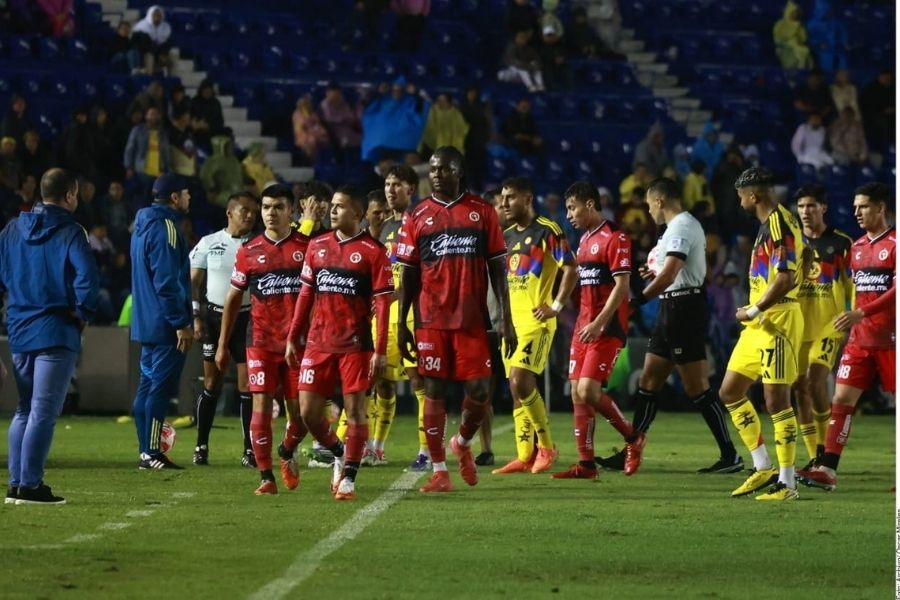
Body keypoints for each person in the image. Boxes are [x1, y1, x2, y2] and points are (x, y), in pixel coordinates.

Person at [597, 178, 741, 473]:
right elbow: (668, 270)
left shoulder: (682, 226)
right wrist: (652, 271)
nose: (648, 210)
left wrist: (639, 299)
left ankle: (730, 455)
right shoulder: (670, 233)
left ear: (660, 201)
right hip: (671, 306)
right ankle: (630, 449)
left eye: (650, 204)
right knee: (648, 382)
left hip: (684, 308)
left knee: (696, 386)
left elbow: (673, 271)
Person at [396, 146, 516, 493]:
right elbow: (408, 274)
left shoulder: (481, 212)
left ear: (459, 172)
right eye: (432, 169)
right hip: (430, 320)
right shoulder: (416, 216)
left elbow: (497, 268)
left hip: (472, 319)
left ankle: (462, 443)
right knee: (434, 390)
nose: (435, 174)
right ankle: (439, 471)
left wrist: (505, 318)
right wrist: (402, 322)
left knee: (480, 390)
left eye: (444, 169)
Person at [285, 186, 393, 500]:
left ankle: (348, 479)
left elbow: (383, 305)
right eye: (332, 205)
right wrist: (294, 337)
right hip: (318, 343)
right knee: (307, 412)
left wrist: (380, 350)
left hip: (355, 345)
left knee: (356, 410)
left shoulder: (374, 252)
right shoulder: (316, 245)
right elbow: (305, 295)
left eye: (341, 206)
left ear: (357, 214)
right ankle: (337, 451)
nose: (332, 211)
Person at [1, 168, 98, 504]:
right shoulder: (72, 231)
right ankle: (30, 485)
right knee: (43, 409)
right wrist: (83, 313)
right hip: (56, 328)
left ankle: (16, 484)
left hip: (19, 329)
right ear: (70, 195)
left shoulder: (12, 229)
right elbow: (87, 278)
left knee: (24, 408)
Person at [799, 182, 895, 491]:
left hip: (891, 339)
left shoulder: (894, 243)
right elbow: (858, 291)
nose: (857, 212)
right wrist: (855, 320)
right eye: (855, 207)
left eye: (864, 206)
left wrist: (862, 313)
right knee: (841, 399)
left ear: (881, 208)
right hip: (860, 340)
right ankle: (827, 469)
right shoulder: (855, 247)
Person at [215, 184, 310, 495]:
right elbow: (232, 299)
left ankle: (285, 450)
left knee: (303, 416)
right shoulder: (249, 250)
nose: (270, 212)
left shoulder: (306, 248)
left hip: (297, 345)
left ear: (291, 212)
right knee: (261, 405)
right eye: (267, 207)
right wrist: (221, 344)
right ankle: (266, 477)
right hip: (260, 341)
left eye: (278, 207)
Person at [720, 167, 805, 501]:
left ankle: (787, 483)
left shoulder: (779, 223)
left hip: (777, 318)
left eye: (741, 194)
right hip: (758, 322)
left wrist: (755, 309)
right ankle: (762, 467)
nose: (739, 200)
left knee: (776, 400)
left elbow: (784, 278)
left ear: (753, 195)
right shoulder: (769, 225)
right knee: (730, 391)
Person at [552, 181, 644, 480]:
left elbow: (623, 286)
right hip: (584, 326)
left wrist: (599, 321)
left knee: (587, 390)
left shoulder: (615, 237)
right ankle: (587, 465)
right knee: (577, 395)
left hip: (606, 325)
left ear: (590, 204)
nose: (569, 215)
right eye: (567, 209)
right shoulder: (583, 240)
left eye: (572, 208)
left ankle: (633, 438)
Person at [491, 177, 576, 475]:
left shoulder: (547, 230)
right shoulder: (507, 236)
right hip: (512, 327)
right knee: (516, 391)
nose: (504, 204)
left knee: (521, 382)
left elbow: (571, 268)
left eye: (510, 198)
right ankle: (524, 455)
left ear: (528, 199)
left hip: (536, 324)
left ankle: (547, 447)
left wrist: (555, 306)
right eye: (502, 198)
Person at [189, 193, 259, 467]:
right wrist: (196, 317)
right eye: (245, 210)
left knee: (247, 386)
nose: (251, 215)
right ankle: (201, 446)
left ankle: (249, 450)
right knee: (211, 384)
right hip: (214, 319)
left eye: (253, 211)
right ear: (229, 213)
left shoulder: (256, 245)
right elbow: (193, 281)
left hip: (246, 319)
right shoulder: (209, 242)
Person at [130, 173, 193, 470]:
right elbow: (166, 281)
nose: (190, 198)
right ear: (174, 197)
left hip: (146, 322)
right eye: (186, 193)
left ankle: (145, 450)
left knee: (146, 386)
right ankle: (153, 451)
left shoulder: (141, 226)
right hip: (166, 324)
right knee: (159, 390)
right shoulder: (167, 227)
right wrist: (180, 321)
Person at [791, 184, 853, 471]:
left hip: (829, 324)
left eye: (811, 206)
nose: (805, 212)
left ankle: (825, 451)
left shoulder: (841, 243)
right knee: (798, 389)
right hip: (797, 326)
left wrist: (854, 318)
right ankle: (815, 456)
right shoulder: (791, 243)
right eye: (801, 206)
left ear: (823, 208)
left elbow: (854, 286)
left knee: (814, 382)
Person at [131, 5, 173, 75]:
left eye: (159, 15)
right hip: (142, 52)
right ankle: (149, 77)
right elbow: (144, 45)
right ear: (150, 15)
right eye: (154, 15)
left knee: (171, 58)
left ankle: (168, 79)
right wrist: (159, 54)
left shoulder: (165, 27)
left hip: (158, 51)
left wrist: (163, 53)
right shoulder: (142, 26)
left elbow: (168, 43)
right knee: (150, 55)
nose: (157, 16)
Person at [773, 1, 813, 70]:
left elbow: (803, 39)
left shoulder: (799, 25)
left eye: (796, 12)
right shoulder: (780, 24)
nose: (795, 14)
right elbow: (781, 38)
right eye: (793, 12)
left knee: (805, 52)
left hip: (798, 48)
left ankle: (804, 72)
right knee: (800, 53)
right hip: (785, 49)